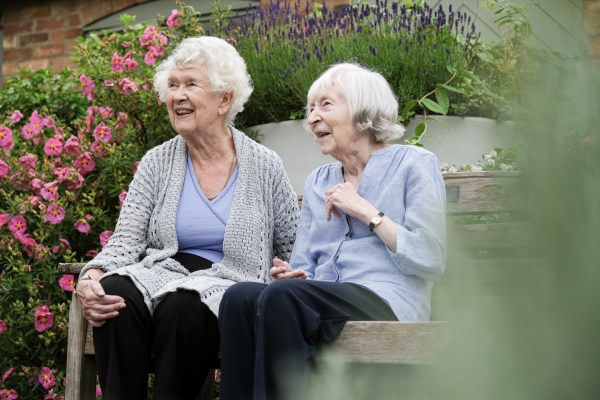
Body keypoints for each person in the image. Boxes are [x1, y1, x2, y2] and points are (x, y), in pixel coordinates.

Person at [73, 36, 299, 399]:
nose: (177, 95)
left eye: (191, 84)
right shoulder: (157, 162)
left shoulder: (264, 165)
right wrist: (93, 275)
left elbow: (294, 246)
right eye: (172, 85)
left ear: (225, 99)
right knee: (114, 293)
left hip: (229, 280)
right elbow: (127, 239)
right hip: (164, 272)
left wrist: (287, 272)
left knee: (185, 305)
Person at [218, 63, 447, 400]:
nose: (312, 119)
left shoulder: (414, 164)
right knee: (239, 298)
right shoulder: (319, 181)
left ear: (363, 112)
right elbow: (304, 269)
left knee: (283, 299)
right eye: (310, 109)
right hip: (324, 300)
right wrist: (292, 275)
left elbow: (431, 258)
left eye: (325, 105)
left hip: (387, 299)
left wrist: (366, 211)